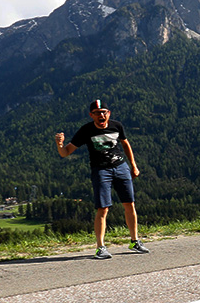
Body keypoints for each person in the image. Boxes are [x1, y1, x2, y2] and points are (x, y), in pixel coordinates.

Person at [54, 100, 150, 259]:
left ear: (109, 113)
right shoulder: (86, 130)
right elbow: (65, 153)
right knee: (103, 208)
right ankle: (100, 247)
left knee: (129, 204)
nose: (101, 115)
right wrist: (59, 144)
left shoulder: (116, 126)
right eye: (97, 113)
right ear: (91, 115)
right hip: (101, 171)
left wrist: (133, 165)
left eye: (104, 112)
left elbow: (126, 144)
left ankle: (135, 241)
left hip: (121, 167)